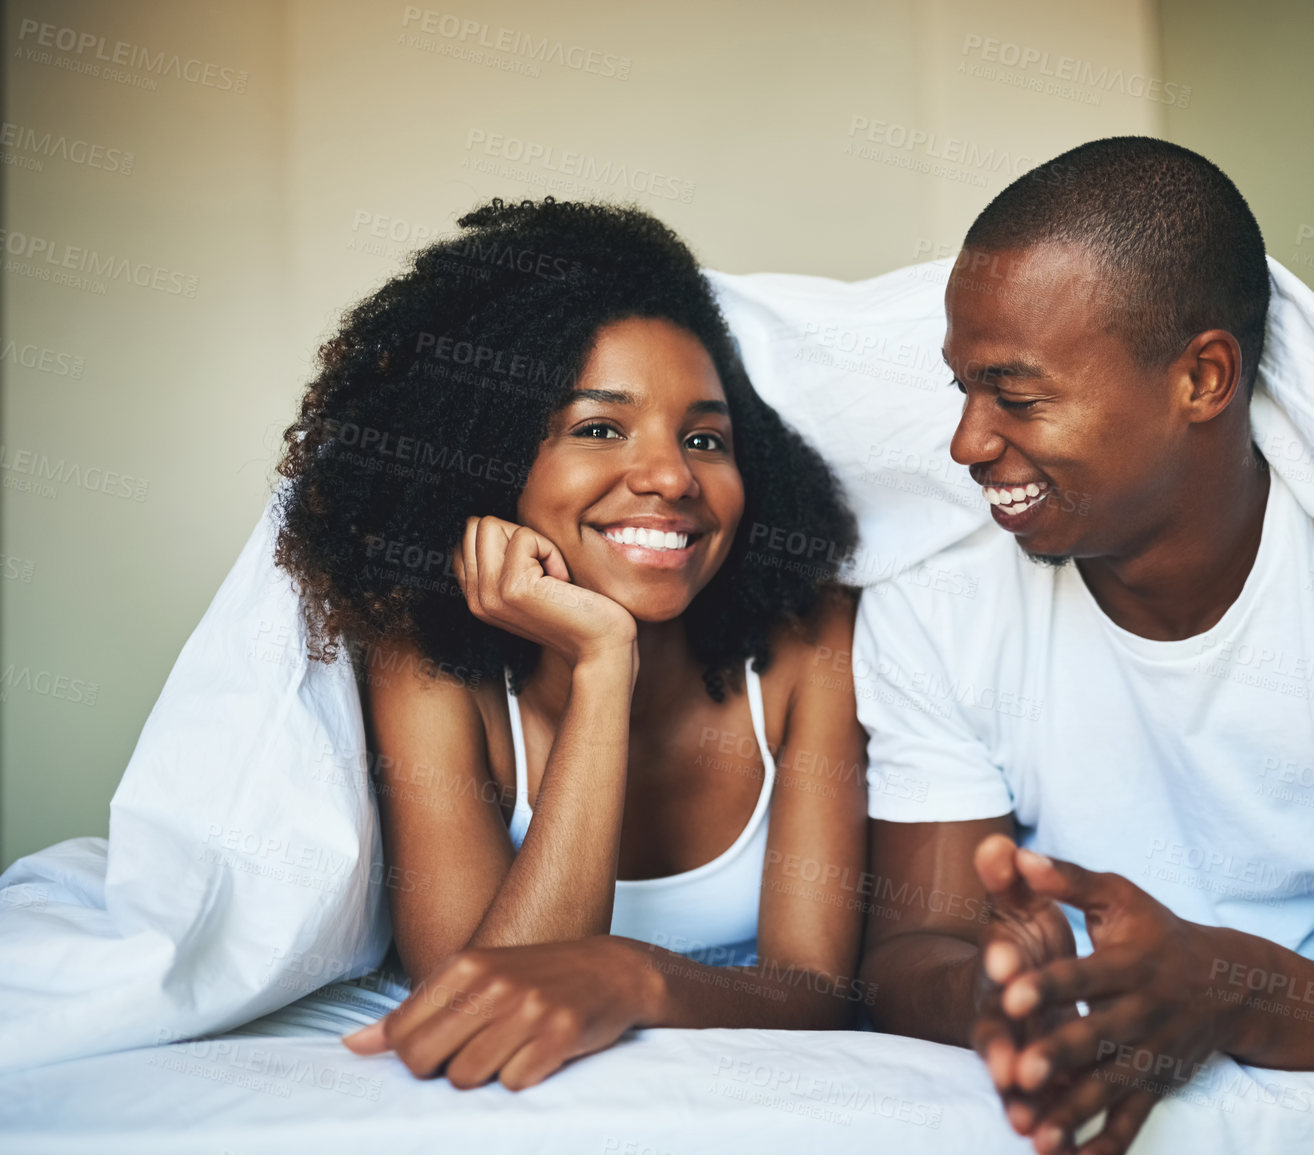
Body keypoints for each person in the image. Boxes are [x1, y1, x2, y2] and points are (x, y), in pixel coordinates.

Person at [853, 138, 1314, 1155]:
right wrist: (1014, 993)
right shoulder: (937, 600)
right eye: (963, 389)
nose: (967, 442)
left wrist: (1235, 994)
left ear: (1202, 377)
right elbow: (907, 950)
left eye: (1015, 395)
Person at [270, 198, 868, 1090]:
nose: (671, 475)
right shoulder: (424, 661)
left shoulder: (807, 642)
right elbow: (474, 1005)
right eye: (598, 428)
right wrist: (602, 667)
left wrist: (632, 974)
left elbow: (819, 993)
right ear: (488, 457)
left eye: (705, 438)